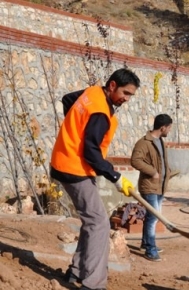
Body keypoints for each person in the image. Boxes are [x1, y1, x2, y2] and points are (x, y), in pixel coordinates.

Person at [50, 68, 140, 290]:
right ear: (112, 86)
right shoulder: (100, 112)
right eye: (125, 93)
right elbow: (91, 153)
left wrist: (74, 130)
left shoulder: (93, 92)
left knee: (92, 220)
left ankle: (77, 272)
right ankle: (94, 284)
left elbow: (67, 99)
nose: (126, 99)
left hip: (66, 163)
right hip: (74, 168)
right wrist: (116, 176)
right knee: (99, 223)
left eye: (131, 95)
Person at [130, 114, 173, 262]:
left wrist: (168, 173)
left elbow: (161, 161)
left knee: (151, 217)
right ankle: (150, 250)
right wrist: (152, 172)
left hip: (160, 186)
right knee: (153, 217)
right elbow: (135, 160)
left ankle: (145, 243)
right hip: (149, 187)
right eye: (169, 128)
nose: (169, 130)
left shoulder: (160, 141)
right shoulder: (144, 143)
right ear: (163, 128)